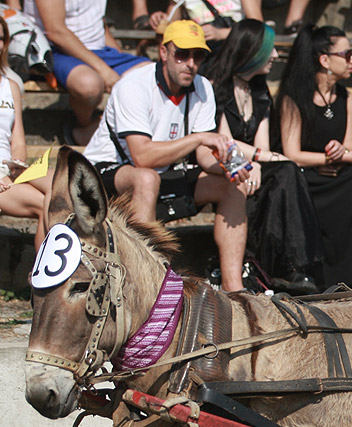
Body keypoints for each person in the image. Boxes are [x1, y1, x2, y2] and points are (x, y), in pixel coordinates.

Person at [83, 20, 250, 292]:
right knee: (147, 179)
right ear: (163, 52)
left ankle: (234, 287)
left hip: (164, 173)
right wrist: (198, 138)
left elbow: (204, 156)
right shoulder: (134, 86)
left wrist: (232, 167)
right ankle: (145, 285)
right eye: (182, 54)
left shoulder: (203, 87)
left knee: (234, 186)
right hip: (106, 173)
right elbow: (142, 157)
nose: (191, 63)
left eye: (198, 56)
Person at [205, 19, 324, 294]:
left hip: (252, 165)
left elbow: (261, 139)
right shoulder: (216, 84)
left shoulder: (259, 90)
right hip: (225, 165)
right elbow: (223, 141)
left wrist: (262, 158)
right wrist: (260, 158)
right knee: (285, 169)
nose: (275, 56)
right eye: (269, 49)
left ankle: (293, 266)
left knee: (288, 171)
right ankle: (291, 265)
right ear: (251, 50)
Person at [276, 24, 352, 288]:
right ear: (324, 60)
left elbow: (350, 147)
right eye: (347, 54)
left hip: (334, 176)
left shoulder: (345, 96)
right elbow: (291, 154)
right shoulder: (293, 98)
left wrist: (345, 154)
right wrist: (329, 159)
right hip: (305, 179)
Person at [23, 0, 150, 144]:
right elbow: (55, 31)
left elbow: (95, 18)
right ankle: (84, 126)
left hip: (98, 50)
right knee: (89, 86)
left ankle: (109, 125)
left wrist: (116, 52)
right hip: (55, 50)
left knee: (151, 75)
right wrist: (105, 71)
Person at [0, 13, 47, 250]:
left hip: (8, 167)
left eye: (0, 38)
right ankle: (43, 281)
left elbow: (18, 138)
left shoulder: (10, 85)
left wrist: (17, 166)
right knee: (46, 204)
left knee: (58, 190)